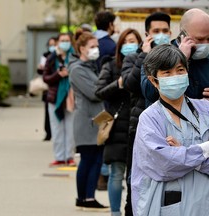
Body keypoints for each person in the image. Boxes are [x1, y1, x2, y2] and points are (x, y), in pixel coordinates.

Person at [132, 43, 209, 216]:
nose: (175, 76)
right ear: (153, 80)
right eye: (167, 72)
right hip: (167, 207)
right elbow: (164, 165)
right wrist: (207, 148)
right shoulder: (149, 119)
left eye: (180, 70)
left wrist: (183, 154)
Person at [141, 8, 209, 121]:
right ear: (182, 35)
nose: (205, 44)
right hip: (164, 133)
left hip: (203, 137)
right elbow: (149, 93)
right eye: (200, 39)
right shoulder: (157, 56)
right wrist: (179, 58)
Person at [120, 11, 172, 216]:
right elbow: (131, 84)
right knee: (135, 179)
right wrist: (145, 55)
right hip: (139, 127)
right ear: (147, 34)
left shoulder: (175, 56)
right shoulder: (134, 58)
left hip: (169, 127)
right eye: (156, 31)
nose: (161, 35)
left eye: (165, 31)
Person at [95, 28, 142, 216]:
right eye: (126, 41)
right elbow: (99, 91)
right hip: (116, 126)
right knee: (116, 173)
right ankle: (115, 212)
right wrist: (119, 84)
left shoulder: (144, 64)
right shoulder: (111, 65)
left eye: (133, 41)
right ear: (120, 45)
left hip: (137, 125)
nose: (130, 45)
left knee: (135, 177)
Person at [68, 29, 109, 212]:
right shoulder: (77, 69)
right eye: (92, 46)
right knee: (89, 159)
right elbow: (94, 93)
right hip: (86, 122)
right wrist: (109, 88)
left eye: (97, 46)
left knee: (95, 159)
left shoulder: (91, 67)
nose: (96, 49)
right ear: (82, 48)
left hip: (94, 120)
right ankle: (85, 198)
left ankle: (86, 197)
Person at [43, 33, 76, 167]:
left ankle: (69, 156)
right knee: (57, 129)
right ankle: (59, 157)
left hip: (71, 97)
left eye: (67, 40)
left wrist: (70, 73)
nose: (65, 43)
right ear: (57, 43)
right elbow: (46, 78)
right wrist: (58, 74)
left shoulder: (75, 56)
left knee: (70, 129)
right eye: (62, 41)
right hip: (54, 98)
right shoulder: (51, 58)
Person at [94, 10, 117, 190]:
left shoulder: (91, 41)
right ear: (110, 24)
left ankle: (97, 176)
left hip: (92, 94)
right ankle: (103, 176)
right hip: (108, 96)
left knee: (96, 137)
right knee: (106, 134)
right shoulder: (110, 45)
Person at [37, 36, 57, 141]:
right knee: (48, 111)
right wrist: (40, 68)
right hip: (49, 88)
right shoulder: (45, 56)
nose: (52, 47)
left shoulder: (60, 56)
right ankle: (48, 132)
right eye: (50, 45)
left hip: (58, 87)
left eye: (54, 44)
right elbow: (42, 72)